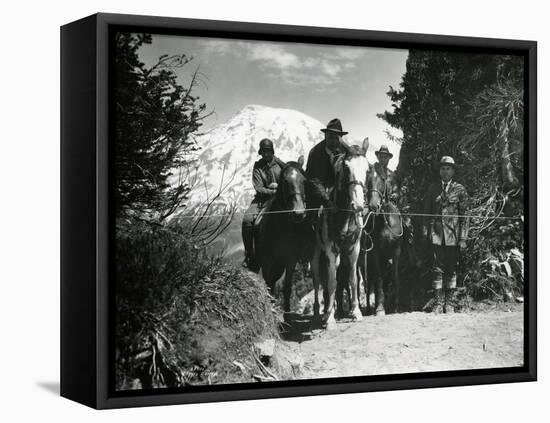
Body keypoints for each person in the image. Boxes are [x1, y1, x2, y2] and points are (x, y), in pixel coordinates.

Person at [423, 156, 469, 313]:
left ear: (453, 171)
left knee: (451, 268)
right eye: (442, 168)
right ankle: (438, 302)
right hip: (436, 234)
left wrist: (463, 238)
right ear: (439, 170)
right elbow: (426, 213)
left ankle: (449, 303)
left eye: (448, 168)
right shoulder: (432, 188)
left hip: (453, 236)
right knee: (437, 268)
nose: (445, 171)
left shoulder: (459, 189)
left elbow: (465, 216)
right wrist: (426, 232)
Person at [241, 138, 285, 269]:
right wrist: (273, 191)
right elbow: (258, 187)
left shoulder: (281, 165)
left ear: (272, 151)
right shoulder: (258, 166)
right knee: (247, 220)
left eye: (268, 151)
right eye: (263, 152)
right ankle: (249, 254)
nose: (265, 154)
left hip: (280, 199)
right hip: (261, 200)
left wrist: (280, 191)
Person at [305, 118, 349, 212]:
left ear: (341, 139)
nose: (333, 141)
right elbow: (315, 180)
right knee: (312, 219)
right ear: (325, 136)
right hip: (315, 195)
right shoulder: (315, 152)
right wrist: (327, 201)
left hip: (337, 197)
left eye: (336, 137)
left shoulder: (345, 152)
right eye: (330, 137)